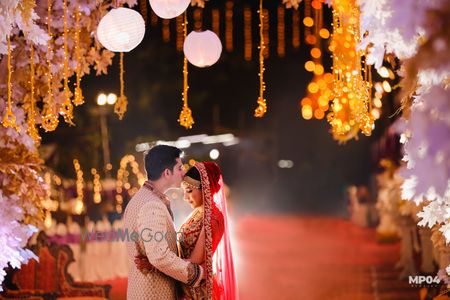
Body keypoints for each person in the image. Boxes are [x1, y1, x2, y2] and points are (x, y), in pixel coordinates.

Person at [135, 161, 238, 299]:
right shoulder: (196, 213)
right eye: (184, 192)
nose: (185, 197)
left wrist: (157, 264)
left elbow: (194, 260)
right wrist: (154, 260)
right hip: (186, 283)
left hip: (199, 291)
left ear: (205, 188)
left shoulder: (213, 218)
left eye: (189, 191)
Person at [123, 145, 204, 300]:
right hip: (153, 292)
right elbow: (159, 256)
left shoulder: (141, 199)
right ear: (167, 173)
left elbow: (152, 254)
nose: (183, 172)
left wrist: (151, 263)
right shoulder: (151, 205)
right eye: (179, 167)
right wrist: (198, 273)